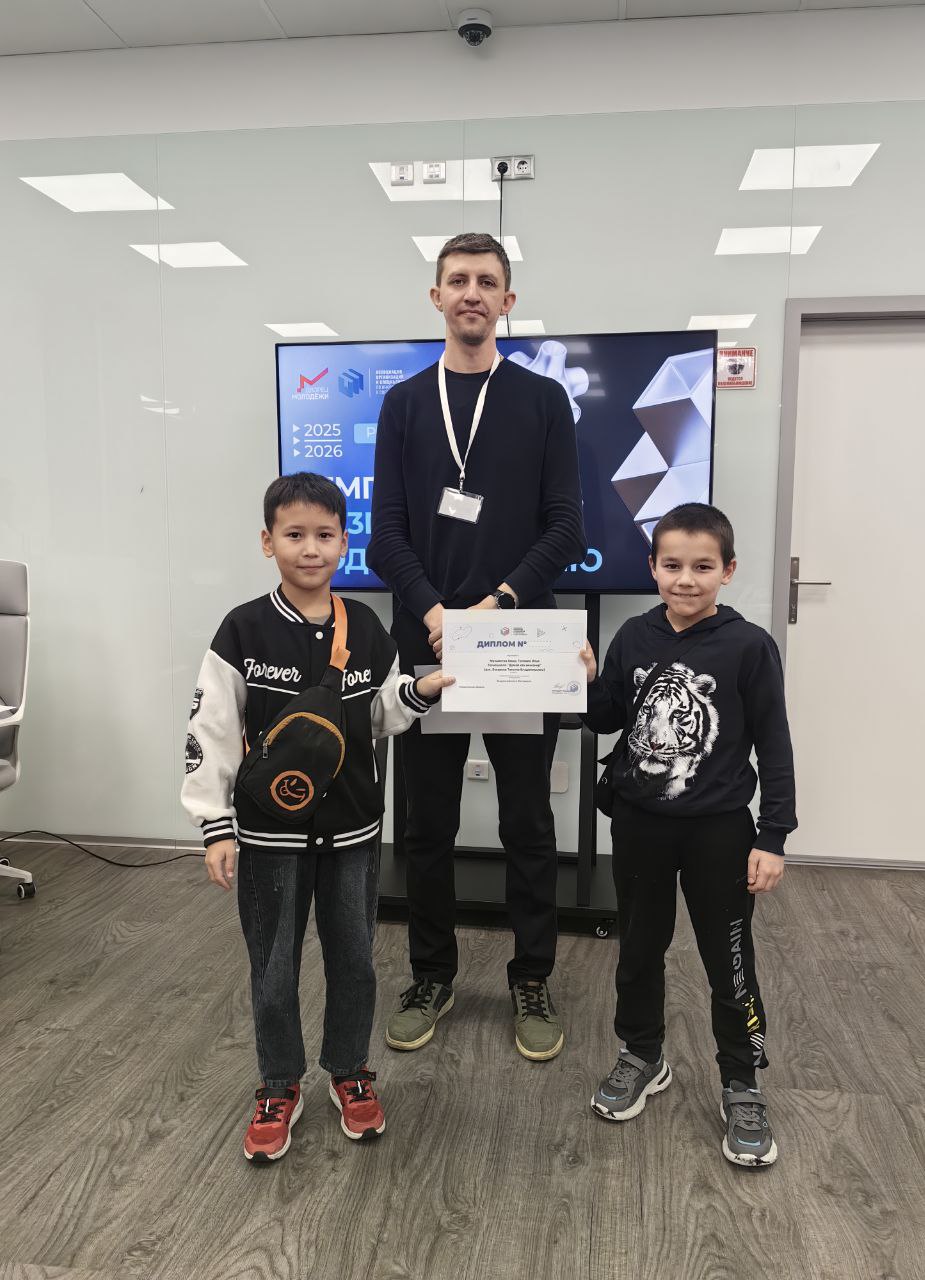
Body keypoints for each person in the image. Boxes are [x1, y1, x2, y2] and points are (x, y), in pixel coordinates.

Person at [181, 472, 449, 1162]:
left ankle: (350, 1071)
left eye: (324, 535)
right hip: (267, 836)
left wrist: (419, 690)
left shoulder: (368, 627)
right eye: (294, 535)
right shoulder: (242, 628)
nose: (310, 549)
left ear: (343, 542)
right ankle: (279, 1083)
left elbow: (380, 714)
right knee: (272, 965)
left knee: (355, 961)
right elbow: (213, 729)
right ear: (267, 541)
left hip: (354, 832)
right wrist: (215, 826)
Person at [367, 231, 586, 1062]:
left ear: (507, 301)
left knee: (529, 823)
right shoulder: (404, 404)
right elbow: (386, 534)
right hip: (428, 648)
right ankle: (432, 975)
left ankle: (532, 977)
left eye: (486, 281)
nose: (471, 293)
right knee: (425, 826)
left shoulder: (541, 401)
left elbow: (565, 527)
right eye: (457, 279)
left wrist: (491, 607)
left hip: (519, 642)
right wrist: (434, 611)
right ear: (436, 297)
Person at [580, 502, 796, 1167]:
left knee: (729, 960)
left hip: (720, 832)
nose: (686, 579)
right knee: (638, 949)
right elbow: (607, 717)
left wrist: (773, 835)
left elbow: (774, 744)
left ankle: (742, 1079)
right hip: (640, 825)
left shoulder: (748, 646)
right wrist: (584, 682)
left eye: (703, 567)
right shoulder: (633, 635)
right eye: (672, 565)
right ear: (653, 567)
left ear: (727, 571)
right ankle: (641, 1053)